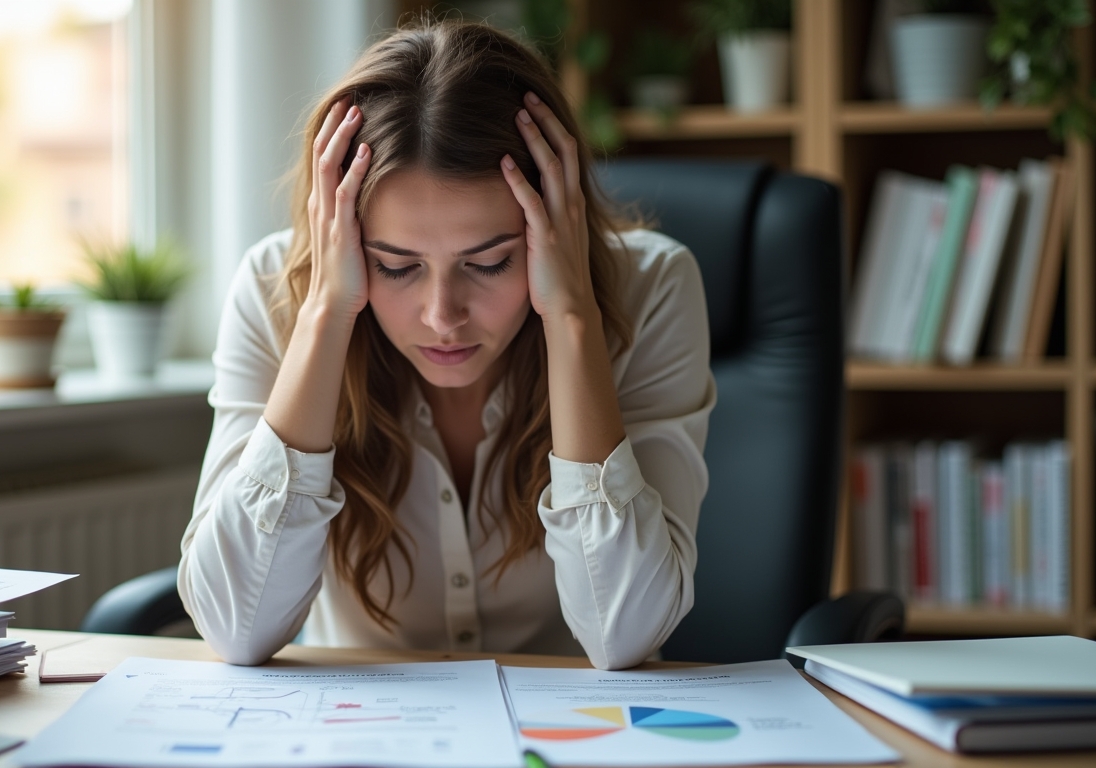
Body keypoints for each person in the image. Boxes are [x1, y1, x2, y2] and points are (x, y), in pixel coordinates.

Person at [178, 19, 715, 670]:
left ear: (559, 222)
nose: (441, 317)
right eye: (396, 267)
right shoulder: (276, 295)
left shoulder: (653, 289)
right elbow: (235, 628)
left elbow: (625, 635)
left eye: (489, 263)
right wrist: (326, 314)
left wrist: (571, 316)